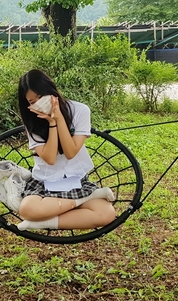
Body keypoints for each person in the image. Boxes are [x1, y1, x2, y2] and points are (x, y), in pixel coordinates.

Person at [13, 69, 116, 231]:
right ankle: (86, 198)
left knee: (106, 214)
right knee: (27, 210)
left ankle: (41, 223)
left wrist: (59, 117)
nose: (38, 104)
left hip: (76, 181)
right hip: (45, 183)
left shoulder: (79, 110)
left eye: (40, 97)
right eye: (32, 102)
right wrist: (52, 124)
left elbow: (70, 152)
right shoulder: (32, 122)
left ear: (51, 91)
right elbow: (50, 158)